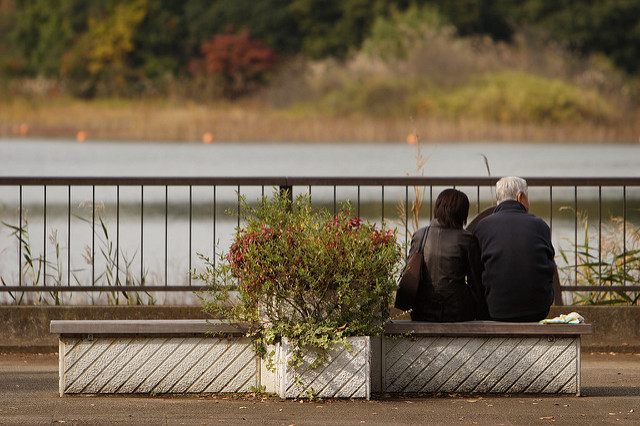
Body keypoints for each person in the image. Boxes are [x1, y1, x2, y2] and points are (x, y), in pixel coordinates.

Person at [472, 176, 555, 322]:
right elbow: (549, 267)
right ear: (520, 197)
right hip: (537, 311)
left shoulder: (482, 227)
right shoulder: (540, 226)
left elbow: (475, 273)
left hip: (495, 311)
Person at [409, 188, 489, 322]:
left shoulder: (420, 235)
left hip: (422, 312)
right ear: (462, 213)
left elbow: (411, 272)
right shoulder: (467, 239)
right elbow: (476, 283)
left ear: (437, 208)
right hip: (458, 313)